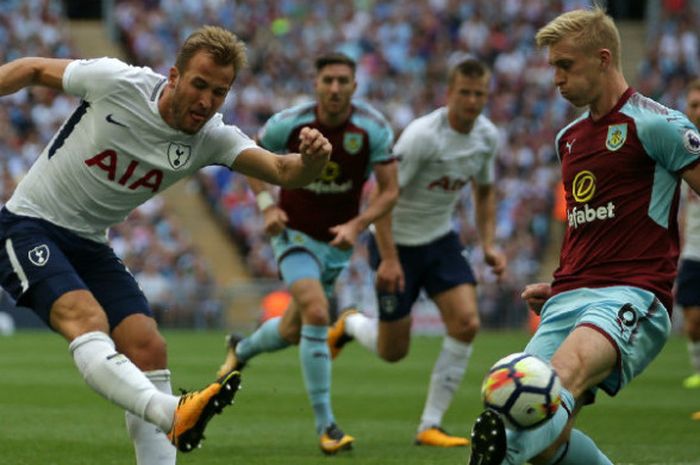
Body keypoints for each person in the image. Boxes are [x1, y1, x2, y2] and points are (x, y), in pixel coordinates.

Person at [0, 25, 331, 465]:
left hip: (90, 243)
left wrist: (313, 162)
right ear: (173, 76)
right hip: (29, 224)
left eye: (219, 91)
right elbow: (34, 67)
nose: (206, 101)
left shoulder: (213, 136)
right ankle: (172, 412)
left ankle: (171, 420)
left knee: (148, 347)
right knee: (88, 319)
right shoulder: (117, 81)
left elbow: (285, 172)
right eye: (198, 84)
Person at [467, 7, 700, 465]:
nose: (555, 78)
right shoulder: (568, 138)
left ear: (603, 58)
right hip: (570, 295)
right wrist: (562, 283)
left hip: (631, 295)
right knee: (535, 431)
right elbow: (588, 223)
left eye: (565, 64)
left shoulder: (657, 124)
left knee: (545, 391)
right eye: (552, 65)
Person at [217, 52, 398, 454]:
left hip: (336, 245)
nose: (335, 88)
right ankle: (327, 427)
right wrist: (267, 207)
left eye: (343, 81)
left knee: (292, 329)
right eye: (328, 80)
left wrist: (357, 225)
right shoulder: (289, 122)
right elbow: (249, 157)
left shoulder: (373, 129)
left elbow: (390, 191)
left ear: (354, 86)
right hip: (293, 235)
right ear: (316, 84)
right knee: (318, 312)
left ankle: (240, 348)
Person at [327, 56, 506, 447]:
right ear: (449, 93)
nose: (472, 101)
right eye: (465, 93)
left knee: (466, 323)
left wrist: (488, 243)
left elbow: (486, 190)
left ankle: (430, 425)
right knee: (394, 351)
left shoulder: (487, 137)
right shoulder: (422, 136)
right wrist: (389, 259)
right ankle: (352, 324)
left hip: (441, 240)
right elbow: (383, 196)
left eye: (480, 94)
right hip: (395, 241)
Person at [678, 79, 700, 395]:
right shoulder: (681, 144)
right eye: (693, 104)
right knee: (693, 319)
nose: (697, 110)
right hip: (694, 249)